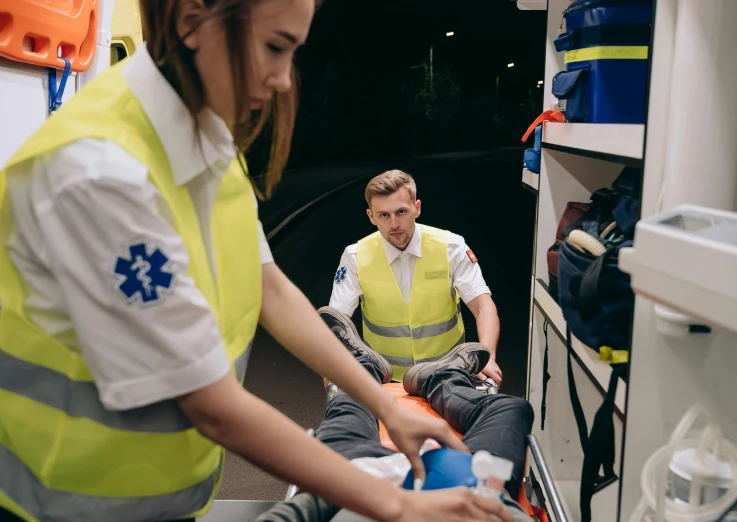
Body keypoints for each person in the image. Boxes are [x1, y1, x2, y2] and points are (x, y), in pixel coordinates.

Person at [0, 1, 513, 522]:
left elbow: (268, 287)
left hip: (156, 499)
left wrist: (382, 406)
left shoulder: (206, 136)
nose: (285, 80)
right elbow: (213, 407)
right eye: (274, 47)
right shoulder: (100, 174)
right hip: (62, 504)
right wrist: (397, 505)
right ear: (190, 19)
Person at [258, 337, 535, 522]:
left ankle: (364, 367)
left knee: (349, 406)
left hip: (354, 479)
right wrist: (493, 500)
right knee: (512, 409)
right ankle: (443, 377)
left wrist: (340, 490)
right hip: (469, 485)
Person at [322, 169, 503, 386]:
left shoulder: (451, 248)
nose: (394, 224)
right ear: (371, 216)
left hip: (447, 374)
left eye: (401, 212)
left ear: (417, 208)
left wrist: (488, 358)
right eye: (384, 215)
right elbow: (338, 320)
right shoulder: (355, 256)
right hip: (383, 379)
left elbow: (484, 307)